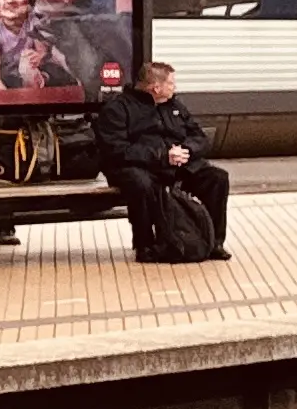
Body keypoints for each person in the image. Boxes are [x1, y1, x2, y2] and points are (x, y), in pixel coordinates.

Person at [92, 61, 226, 260]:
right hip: (139, 165)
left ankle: (213, 242)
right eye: (171, 83)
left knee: (216, 178)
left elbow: (199, 136)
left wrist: (186, 150)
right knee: (141, 184)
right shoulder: (118, 109)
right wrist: (162, 156)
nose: (174, 87)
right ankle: (145, 244)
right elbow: (116, 150)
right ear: (156, 87)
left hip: (176, 163)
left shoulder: (174, 106)